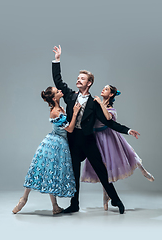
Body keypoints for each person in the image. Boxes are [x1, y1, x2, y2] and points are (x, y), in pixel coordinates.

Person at [52, 45, 140, 214]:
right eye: (78, 78)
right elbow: (58, 80)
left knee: (102, 171)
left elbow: (110, 123)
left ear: (89, 83)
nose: (78, 80)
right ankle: (74, 204)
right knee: (74, 174)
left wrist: (128, 130)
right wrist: (57, 60)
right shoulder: (70, 96)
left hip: (88, 140)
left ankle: (116, 200)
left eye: (82, 78)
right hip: (73, 139)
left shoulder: (94, 103)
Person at [81, 84, 154, 211]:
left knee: (128, 152)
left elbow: (108, 118)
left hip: (109, 137)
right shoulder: (96, 104)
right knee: (103, 169)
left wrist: (100, 102)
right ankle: (106, 195)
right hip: (96, 138)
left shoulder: (109, 109)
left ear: (111, 95)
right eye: (103, 88)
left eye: (107, 89)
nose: (103, 89)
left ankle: (142, 169)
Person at [12, 86, 81, 215]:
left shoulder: (60, 108)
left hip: (60, 144)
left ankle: (55, 206)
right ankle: (24, 198)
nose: (60, 91)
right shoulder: (55, 111)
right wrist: (75, 112)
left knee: (52, 173)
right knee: (38, 168)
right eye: (57, 91)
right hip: (54, 144)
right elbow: (70, 129)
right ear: (54, 98)